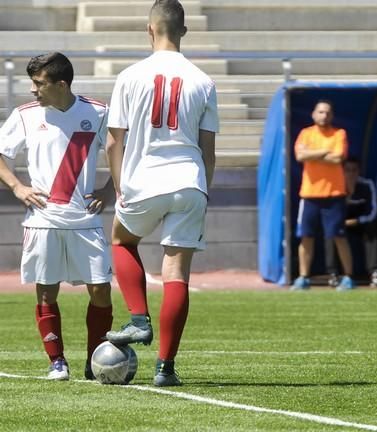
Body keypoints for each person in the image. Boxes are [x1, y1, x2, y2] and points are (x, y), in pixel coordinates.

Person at [104, 0, 219, 387]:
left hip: (143, 179)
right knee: (176, 272)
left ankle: (139, 319)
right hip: (189, 179)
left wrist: (119, 185)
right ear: (184, 31)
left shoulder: (130, 76)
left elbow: (113, 141)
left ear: (148, 29)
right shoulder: (203, 80)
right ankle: (164, 369)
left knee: (121, 241)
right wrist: (205, 190)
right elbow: (208, 149)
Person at [0, 52, 114, 381]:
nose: (33, 90)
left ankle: (95, 362)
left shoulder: (98, 112)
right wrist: (17, 187)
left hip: (85, 220)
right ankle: (57, 362)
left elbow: (123, 152)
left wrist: (108, 190)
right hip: (43, 220)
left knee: (101, 290)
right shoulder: (25, 115)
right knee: (47, 291)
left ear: (61, 84)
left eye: (39, 83)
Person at [292, 100, 355, 291]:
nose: (324, 116)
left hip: (334, 194)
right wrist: (324, 151)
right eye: (320, 112)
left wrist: (312, 154)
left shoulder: (339, 134)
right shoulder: (306, 133)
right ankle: (304, 277)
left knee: (338, 236)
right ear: (313, 114)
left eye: (327, 112)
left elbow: (337, 158)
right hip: (310, 194)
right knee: (306, 237)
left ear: (332, 115)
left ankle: (348, 277)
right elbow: (300, 157)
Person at [325, 157, 377, 287]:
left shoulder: (367, 184)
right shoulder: (335, 186)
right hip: (341, 222)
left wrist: (358, 221)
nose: (351, 174)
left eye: (354, 170)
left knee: (373, 227)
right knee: (331, 230)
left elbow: (373, 212)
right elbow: (330, 211)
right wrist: (347, 196)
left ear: (359, 171)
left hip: (359, 223)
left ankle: (374, 272)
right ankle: (333, 273)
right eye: (347, 170)